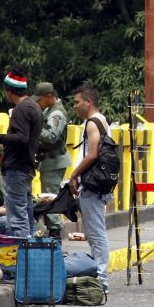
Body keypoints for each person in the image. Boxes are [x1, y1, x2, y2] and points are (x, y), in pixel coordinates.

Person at [0, 70, 43, 238]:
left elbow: (22, 138)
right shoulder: (35, 107)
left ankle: (21, 252)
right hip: (26, 168)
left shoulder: (20, 109)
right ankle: (32, 251)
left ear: (8, 91)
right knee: (27, 217)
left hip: (16, 170)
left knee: (17, 220)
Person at [68, 84, 112, 293]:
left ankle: (101, 280)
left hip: (93, 186)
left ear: (88, 102)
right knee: (95, 234)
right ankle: (98, 277)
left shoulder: (93, 123)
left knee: (96, 234)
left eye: (77, 102)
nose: (75, 106)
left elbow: (92, 154)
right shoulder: (100, 121)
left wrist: (74, 174)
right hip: (98, 185)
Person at [32, 82, 72, 240]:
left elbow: (51, 136)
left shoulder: (57, 114)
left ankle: (55, 236)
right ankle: (53, 235)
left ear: (49, 97)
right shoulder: (49, 110)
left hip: (54, 161)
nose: (39, 102)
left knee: (51, 198)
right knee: (49, 197)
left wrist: (34, 128)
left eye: (40, 99)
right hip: (49, 161)